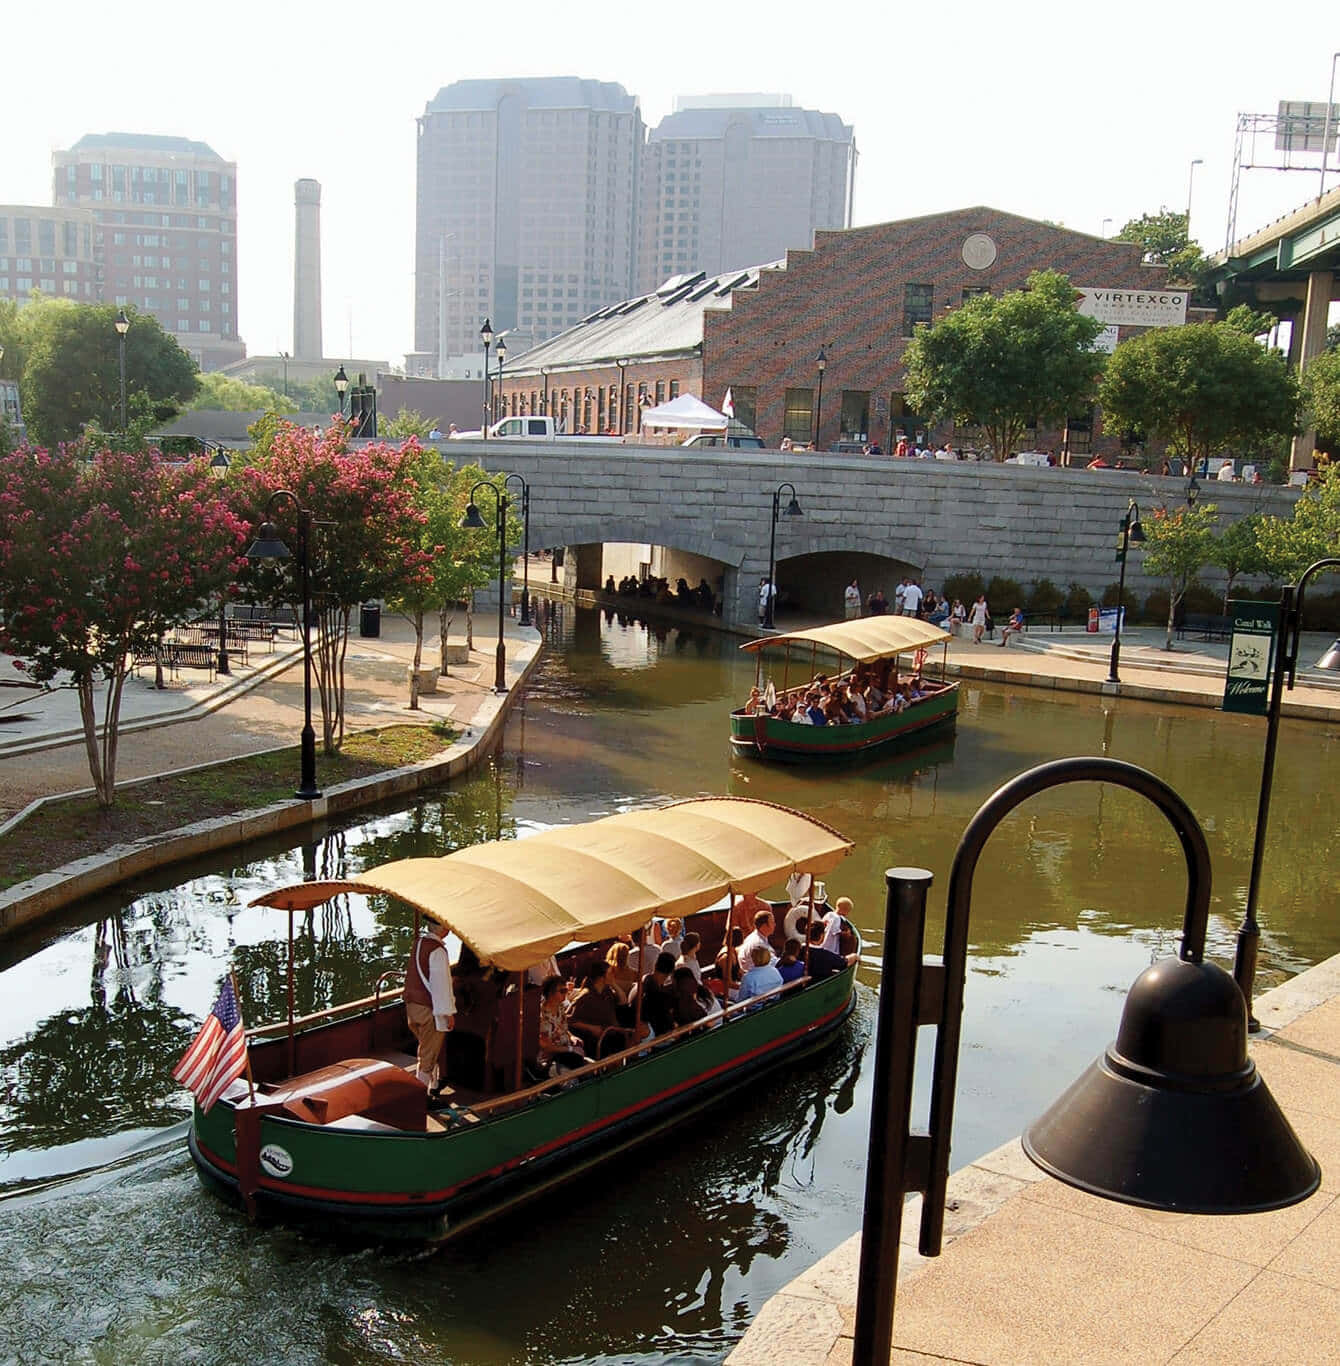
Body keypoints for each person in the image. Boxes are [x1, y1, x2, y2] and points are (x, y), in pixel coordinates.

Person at [403, 922, 456, 1093]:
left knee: (426, 1049)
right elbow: (441, 986)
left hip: (412, 1007)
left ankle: (433, 1087)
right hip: (429, 1010)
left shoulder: (418, 943)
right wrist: (448, 1014)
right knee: (428, 1056)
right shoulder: (438, 951)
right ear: (442, 929)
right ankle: (420, 1097)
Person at [538, 975, 587, 1073]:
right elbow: (547, 1046)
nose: (566, 993)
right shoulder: (542, 1017)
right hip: (551, 1060)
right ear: (551, 993)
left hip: (566, 1053)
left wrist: (571, 1036)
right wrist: (570, 1049)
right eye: (562, 991)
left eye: (566, 990)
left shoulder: (560, 1008)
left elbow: (561, 1028)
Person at [634, 952, 678, 1035]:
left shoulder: (644, 980)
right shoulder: (658, 995)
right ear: (671, 972)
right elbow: (666, 1024)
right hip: (653, 1035)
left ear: (655, 965)